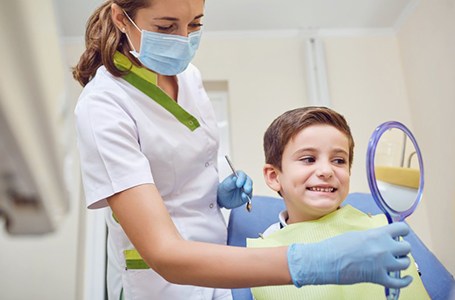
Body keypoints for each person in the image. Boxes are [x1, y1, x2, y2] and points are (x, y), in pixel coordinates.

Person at [72, 1, 414, 299]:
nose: (183, 39)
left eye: (195, 24)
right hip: (161, 283)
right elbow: (164, 253)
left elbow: (179, 167)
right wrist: (316, 262)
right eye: (166, 26)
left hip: (219, 257)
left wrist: (214, 194)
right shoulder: (104, 105)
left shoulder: (189, 77)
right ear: (121, 18)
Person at [247, 106, 429, 299]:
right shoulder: (262, 255)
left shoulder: (384, 230)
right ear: (274, 176)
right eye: (309, 159)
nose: (326, 170)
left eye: (339, 160)